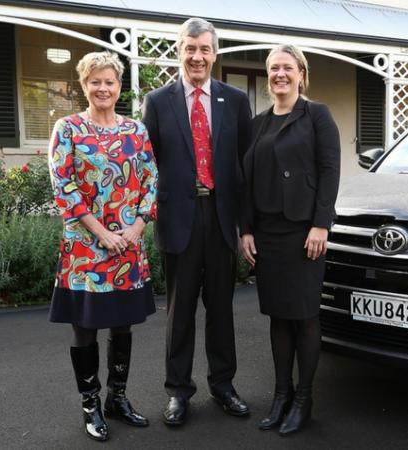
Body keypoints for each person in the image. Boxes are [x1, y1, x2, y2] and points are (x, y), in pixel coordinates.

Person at [141, 17, 252, 426]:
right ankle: (178, 391)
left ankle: (223, 385)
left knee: (221, 309)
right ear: (179, 50)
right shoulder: (158, 101)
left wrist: (246, 226)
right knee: (180, 310)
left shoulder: (235, 101)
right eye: (190, 48)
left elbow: (244, 167)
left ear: (215, 53)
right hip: (178, 218)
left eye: (205, 49)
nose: (197, 56)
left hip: (221, 219)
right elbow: (146, 165)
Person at [48, 51, 157, 442]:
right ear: (83, 85)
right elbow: (64, 187)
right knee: (86, 328)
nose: (103, 88)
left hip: (128, 245)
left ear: (119, 85)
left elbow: (150, 180)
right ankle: (90, 403)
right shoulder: (69, 128)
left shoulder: (136, 131)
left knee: (123, 325)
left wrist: (139, 225)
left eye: (109, 81)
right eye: (95, 81)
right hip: (86, 250)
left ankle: (118, 398)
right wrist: (101, 233)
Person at [239, 45, 340, 435]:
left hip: (303, 232)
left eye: (287, 67)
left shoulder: (317, 115)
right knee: (278, 316)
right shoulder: (257, 123)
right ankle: (281, 396)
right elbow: (245, 181)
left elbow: (330, 171)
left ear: (301, 73)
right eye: (274, 68)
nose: (280, 74)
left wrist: (321, 224)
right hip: (267, 234)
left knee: (305, 316)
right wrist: (245, 229)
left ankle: (303, 399)